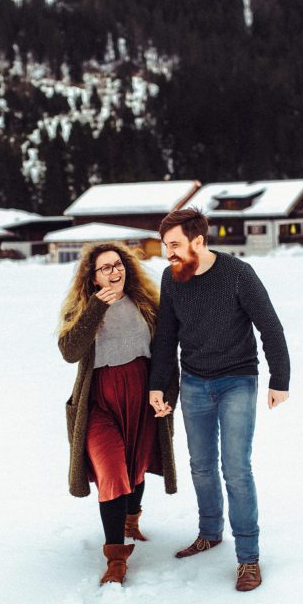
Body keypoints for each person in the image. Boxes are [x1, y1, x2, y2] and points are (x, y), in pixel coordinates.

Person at [148, 208, 290, 592]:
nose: (168, 253)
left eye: (174, 245)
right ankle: (209, 532)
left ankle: (248, 558)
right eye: (165, 246)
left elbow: (270, 326)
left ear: (198, 241)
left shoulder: (238, 274)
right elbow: (166, 336)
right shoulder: (172, 278)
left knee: (236, 469)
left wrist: (280, 378)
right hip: (195, 381)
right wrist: (158, 384)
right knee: (201, 465)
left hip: (237, 380)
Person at [57, 242, 179, 585]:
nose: (115, 272)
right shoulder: (83, 309)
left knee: (136, 465)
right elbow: (70, 351)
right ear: (93, 278)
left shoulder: (146, 305)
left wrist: (167, 396)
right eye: (106, 268)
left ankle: (130, 521)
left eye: (118, 265)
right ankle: (116, 558)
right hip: (100, 403)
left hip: (142, 394)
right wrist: (95, 308)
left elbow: (166, 354)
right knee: (111, 469)